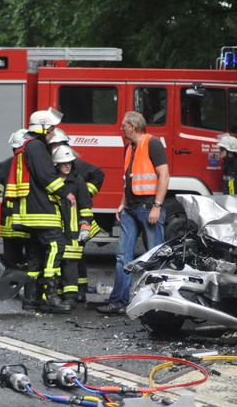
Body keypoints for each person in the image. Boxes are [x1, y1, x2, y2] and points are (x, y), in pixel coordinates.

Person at [97, 111, 169, 315]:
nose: (121, 128)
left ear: (133, 127)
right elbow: (128, 179)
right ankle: (119, 301)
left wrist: (157, 205)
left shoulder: (152, 143)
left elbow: (164, 175)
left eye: (124, 125)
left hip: (147, 207)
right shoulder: (130, 146)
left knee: (156, 257)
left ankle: (159, 303)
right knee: (123, 256)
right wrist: (122, 203)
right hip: (131, 208)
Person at [9, 109, 72, 314]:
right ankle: (51, 298)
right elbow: (46, 176)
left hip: (30, 211)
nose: (54, 133)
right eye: (52, 129)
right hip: (42, 211)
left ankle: (31, 298)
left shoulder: (27, 146)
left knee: (35, 253)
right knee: (56, 246)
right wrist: (65, 194)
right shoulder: (36, 147)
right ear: (43, 127)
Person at [47, 128, 104, 302]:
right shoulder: (49, 174)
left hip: (75, 226)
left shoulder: (76, 175)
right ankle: (58, 291)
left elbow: (87, 204)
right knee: (58, 261)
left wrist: (83, 195)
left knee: (73, 260)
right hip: (57, 226)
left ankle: (73, 294)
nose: (67, 165)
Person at [0, 129, 31, 296]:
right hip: (13, 224)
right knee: (12, 260)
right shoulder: (8, 165)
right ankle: (13, 290)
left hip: (27, 223)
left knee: (29, 259)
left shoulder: (34, 164)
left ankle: (26, 289)